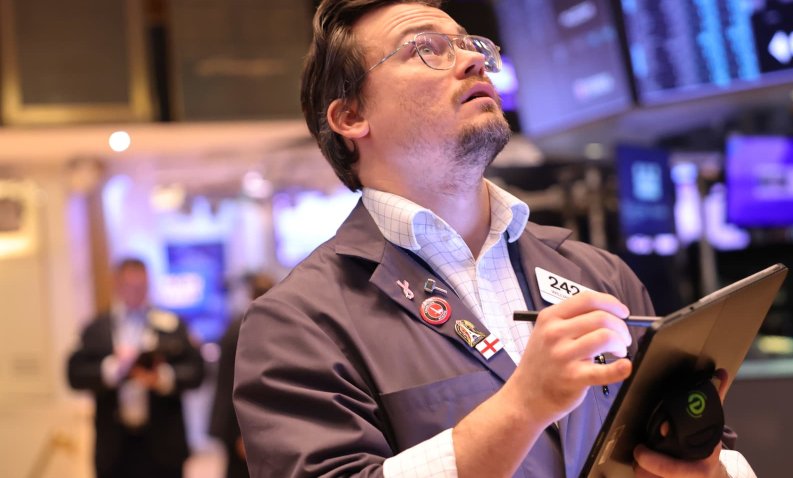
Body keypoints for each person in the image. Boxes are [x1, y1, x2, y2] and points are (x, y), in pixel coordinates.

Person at [233, 1, 756, 477]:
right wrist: (522, 407)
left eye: (470, 44)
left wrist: (705, 467)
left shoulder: (598, 273)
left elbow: (710, 452)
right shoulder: (298, 322)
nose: (471, 60)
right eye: (426, 49)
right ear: (351, 116)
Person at [67, 258, 204, 478]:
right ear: (117, 285)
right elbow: (74, 374)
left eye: (142, 286)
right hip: (115, 446)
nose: (137, 292)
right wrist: (112, 369)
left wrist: (162, 378)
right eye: (130, 286)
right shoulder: (96, 328)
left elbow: (197, 371)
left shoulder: (171, 324)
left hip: (163, 443)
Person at [209, 272, 276, 478]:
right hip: (238, 428)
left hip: (244, 427)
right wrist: (242, 434)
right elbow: (234, 384)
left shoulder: (253, 324)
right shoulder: (245, 328)